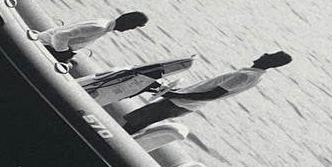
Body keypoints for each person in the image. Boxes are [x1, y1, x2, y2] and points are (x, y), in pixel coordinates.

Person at [123, 52, 293, 133]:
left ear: (273, 61)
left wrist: (175, 95)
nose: (264, 53)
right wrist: (177, 92)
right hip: (184, 103)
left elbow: (213, 94)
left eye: (270, 55)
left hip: (179, 102)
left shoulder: (245, 75)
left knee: (133, 123)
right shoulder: (255, 76)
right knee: (137, 123)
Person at [36, 10, 148, 59]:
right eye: (134, 25)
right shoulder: (99, 27)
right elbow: (60, 36)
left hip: (51, 45)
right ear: (127, 21)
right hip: (44, 45)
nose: (132, 29)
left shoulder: (103, 25)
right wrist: (64, 52)